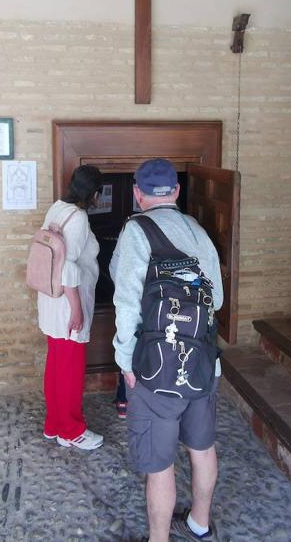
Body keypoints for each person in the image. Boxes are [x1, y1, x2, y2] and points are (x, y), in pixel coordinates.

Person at [110, 159, 223, 542]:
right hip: (204, 364)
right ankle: (200, 524)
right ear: (176, 191)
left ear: (138, 194)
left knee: (160, 466)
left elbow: (126, 304)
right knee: (202, 447)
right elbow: (217, 300)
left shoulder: (135, 231)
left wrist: (125, 363)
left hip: (155, 369)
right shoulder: (198, 231)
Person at [37, 165, 105, 451]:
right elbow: (68, 268)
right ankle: (72, 430)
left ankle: (54, 424)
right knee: (70, 370)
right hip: (67, 303)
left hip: (50, 298)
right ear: (95, 193)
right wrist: (77, 310)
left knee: (56, 365)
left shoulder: (57, 208)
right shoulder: (78, 218)